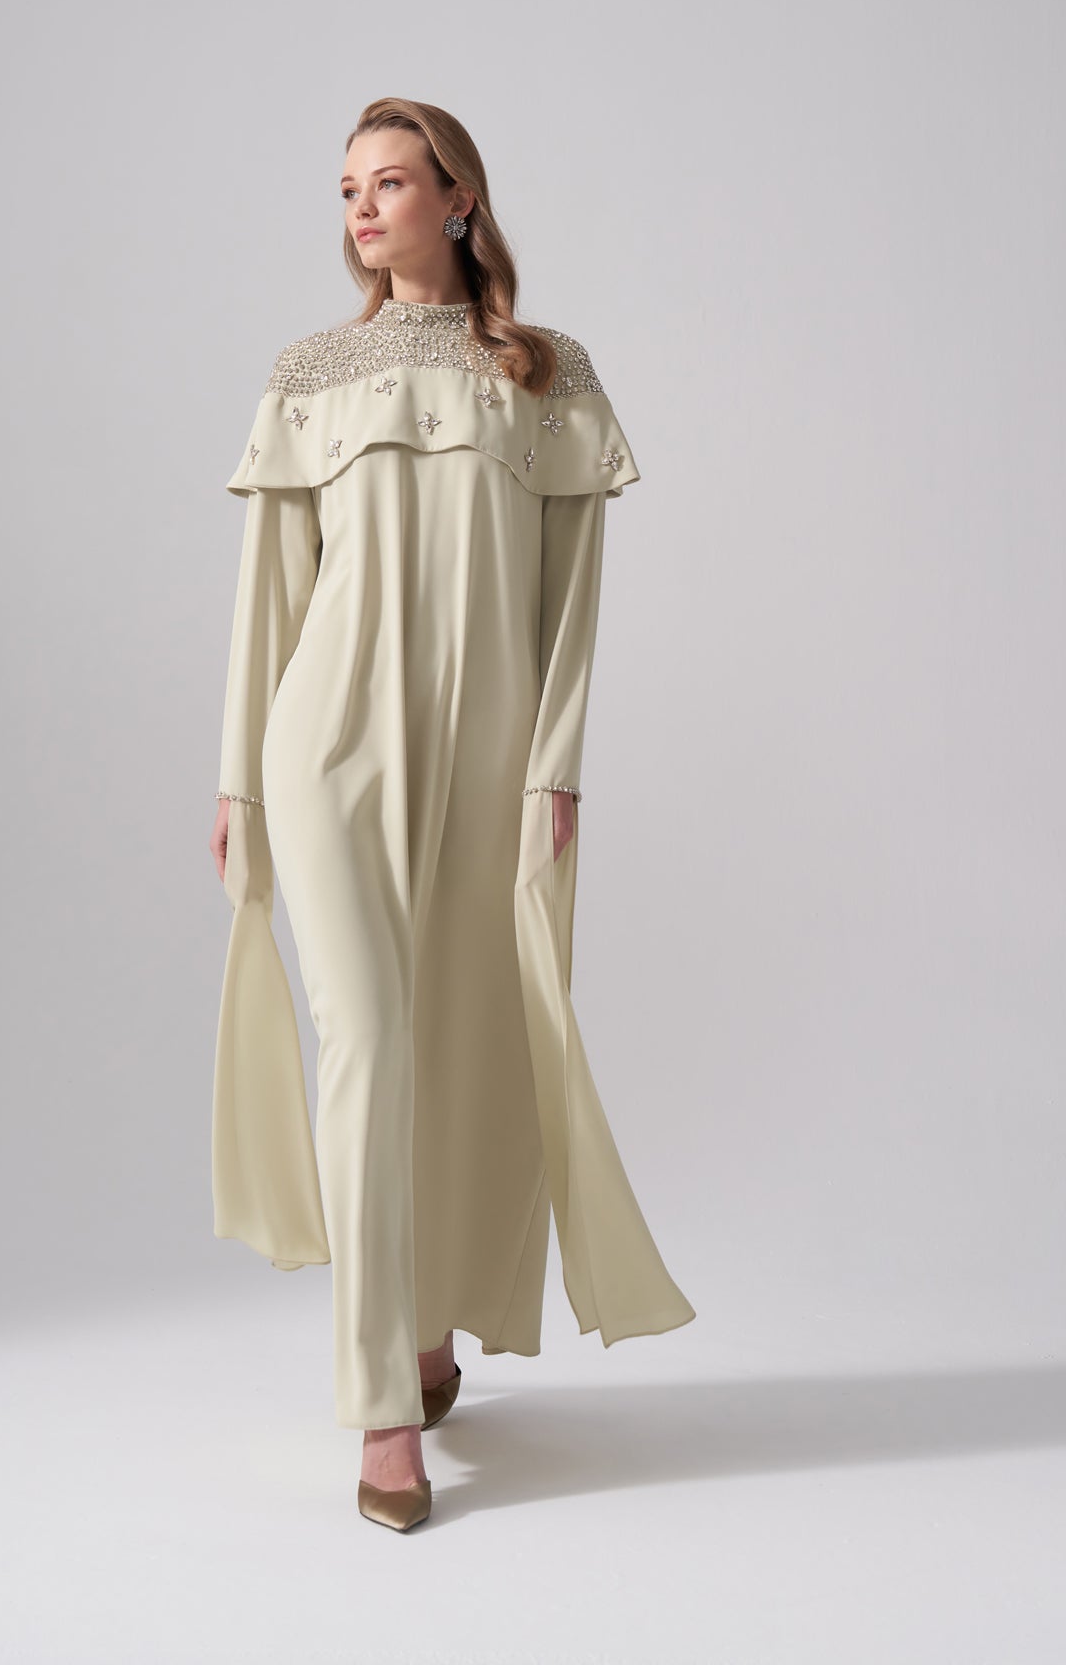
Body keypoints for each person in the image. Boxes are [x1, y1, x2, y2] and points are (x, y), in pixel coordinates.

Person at [209, 97, 696, 1532]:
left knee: (467, 1042)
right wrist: (240, 776)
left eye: (390, 182)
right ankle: (381, 1405)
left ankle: (428, 1326)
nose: (362, 209)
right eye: (347, 189)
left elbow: (571, 603)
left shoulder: (545, 373)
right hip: (327, 744)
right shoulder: (311, 373)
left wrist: (556, 769)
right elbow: (270, 594)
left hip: (491, 757)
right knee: (364, 1043)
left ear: (459, 198)